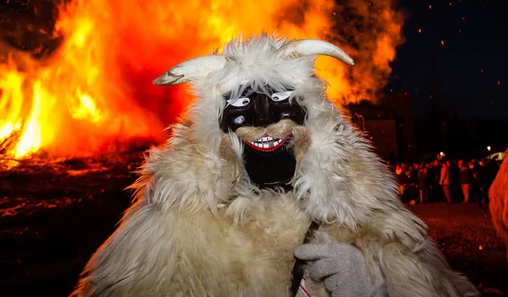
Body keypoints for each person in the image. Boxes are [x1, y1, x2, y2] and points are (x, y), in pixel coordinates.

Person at [72, 36, 478, 296]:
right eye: (244, 112)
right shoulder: (179, 219)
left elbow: (435, 286)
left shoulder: (362, 209)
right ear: (218, 132)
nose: (264, 123)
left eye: (281, 106)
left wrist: (376, 288)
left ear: (313, 122)